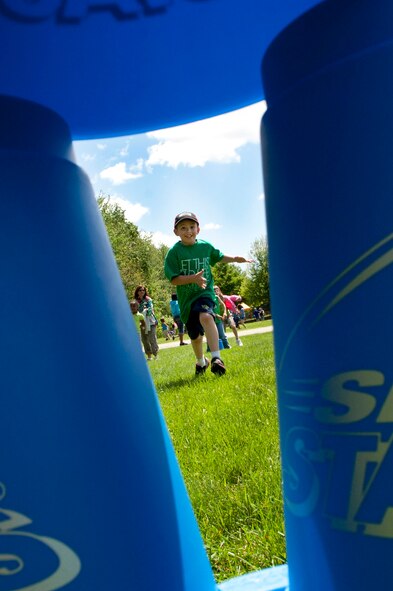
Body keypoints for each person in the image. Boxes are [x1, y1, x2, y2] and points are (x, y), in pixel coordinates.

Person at [164, 212, 252, 376]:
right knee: (195, 337)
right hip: (186, 300)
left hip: (205, 293)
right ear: (176, 231)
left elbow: (218, 257)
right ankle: (201, 361)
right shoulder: (174, 253)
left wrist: (235, 259)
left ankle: (217, 359)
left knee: (206, 316)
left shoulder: (205, 246)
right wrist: (193, 279)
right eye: (183, 228)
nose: (188, 231)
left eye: (192, 227)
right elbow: (174, 279)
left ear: (198, 229)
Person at [134, 285, 159, 361]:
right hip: (141, 322)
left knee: (152, 338)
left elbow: (150, 309)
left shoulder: (148, 300)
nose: (142, 292)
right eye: (140, 290)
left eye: (143, 290)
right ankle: (149, 356)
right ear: (137, 292)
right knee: (144, 340)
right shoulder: (135, 301)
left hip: (150, 321)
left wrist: (146, 311)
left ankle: (155, 355)